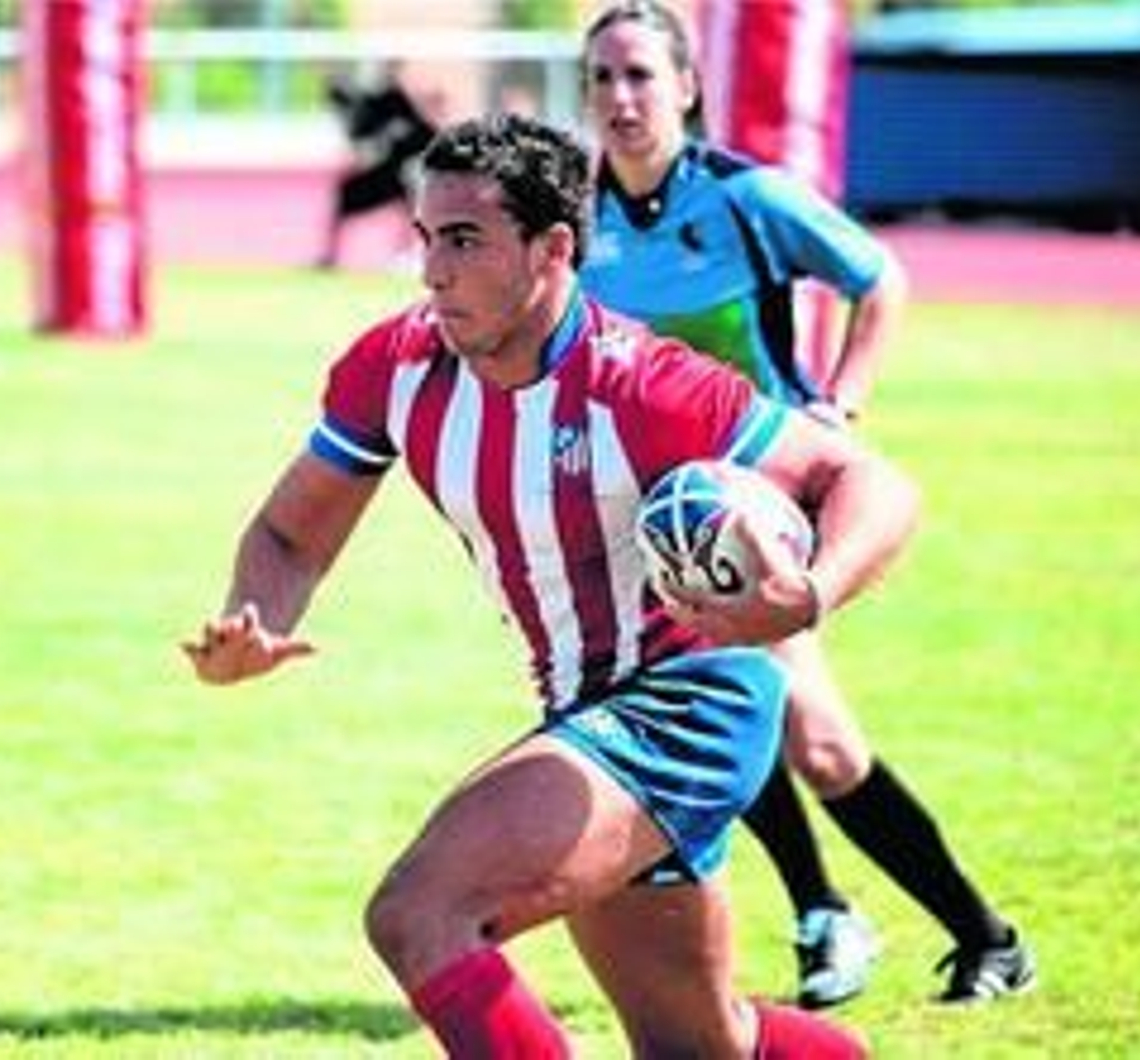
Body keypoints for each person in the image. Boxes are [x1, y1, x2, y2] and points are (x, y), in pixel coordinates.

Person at [181, 111, 922, 1058]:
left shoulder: (641, 382)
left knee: (420, 913)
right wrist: (255, 619)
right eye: (424, 239)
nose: (432, 272)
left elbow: (872, 483)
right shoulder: (397, 366)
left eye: (464, 241)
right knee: (701, 1048)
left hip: (690, 705)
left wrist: (808, 593)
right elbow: (291, 533)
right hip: (583, 707)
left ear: (553, 248)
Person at [577, 0, 1036, 1009]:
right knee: (723, 715)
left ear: (687, 87)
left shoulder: (745, 197)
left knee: (815, 739)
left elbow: (881, 279)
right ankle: (832, 913)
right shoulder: (576, 217)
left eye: (640, 75)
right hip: (654, 522)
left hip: (764, 508)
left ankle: (978, 933)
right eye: (602, 77)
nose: (619, 97)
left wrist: (841, 402)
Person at [316, 64, 438, 270]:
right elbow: (366, 148)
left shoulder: (397, 104)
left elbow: (425, 141)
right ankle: (330, 256)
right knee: (346, 194)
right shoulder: (363, 113)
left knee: (416, 193)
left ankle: (412, 253)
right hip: (388, 172)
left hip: (412, 173)